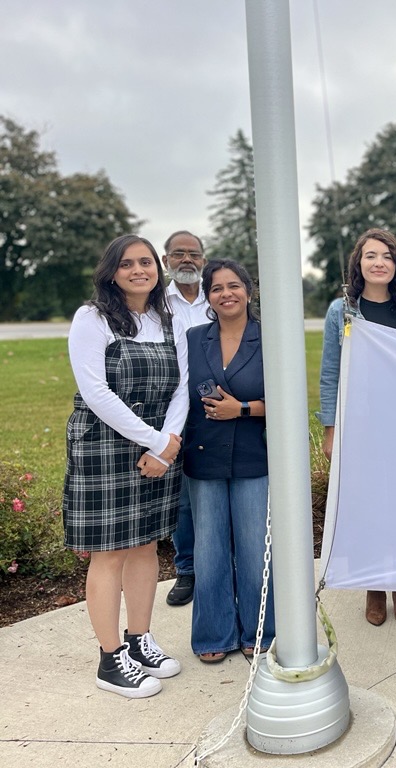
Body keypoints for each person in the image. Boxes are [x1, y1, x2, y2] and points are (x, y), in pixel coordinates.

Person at [63, 234, 187, 698]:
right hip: (104, 444)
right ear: (111, 272)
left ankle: (139, 640)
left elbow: (183, 386)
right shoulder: (92, 318)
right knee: (109, 551)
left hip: (157, 448)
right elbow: (96, 394)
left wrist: (165, 448)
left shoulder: (167, 318)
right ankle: (110, 659)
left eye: (147, 262)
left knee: (145, 545)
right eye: (128, 263)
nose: (139, 270)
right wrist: (156, 442)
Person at [318, 228, 396, 627]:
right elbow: (329, 373)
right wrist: (330, 428)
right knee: (367, 505)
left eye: (387, 256)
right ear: (358, 264)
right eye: (370, 256)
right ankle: (374, 586)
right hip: (358, 423)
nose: (379, 262)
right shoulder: (340, 310)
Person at [183, 259, 274, 663]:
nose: (226, 294)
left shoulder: (269, 337)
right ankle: (214, 634)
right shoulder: (192, 338)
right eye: (217, 288)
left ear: (249, 291)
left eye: (234, 285)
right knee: (209, 551)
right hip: (203, 457)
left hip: (254, 458)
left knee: (256, 550)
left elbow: (289, 400)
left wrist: (242, 409)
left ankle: (262, 631)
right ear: (208, 296)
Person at [162, 230, 210, 608]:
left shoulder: (220, 296)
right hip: (172, 408)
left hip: (217, 405)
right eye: (178, 254)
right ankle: (188, 569)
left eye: (193, 254)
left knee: (215, 486)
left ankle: (220, 565)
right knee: (181, 498)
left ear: (204, 260)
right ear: (166, 261)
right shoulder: (156, 303)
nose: (187, 260)